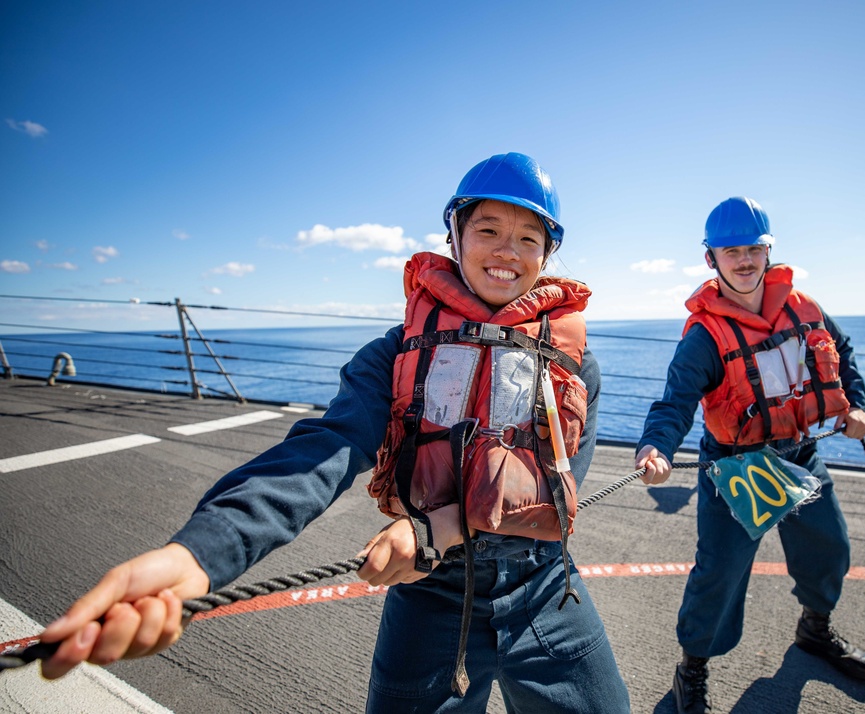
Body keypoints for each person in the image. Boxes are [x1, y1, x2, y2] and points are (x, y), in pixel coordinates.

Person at [38, 152, 631, 713]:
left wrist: (444, 525)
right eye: (488, 230)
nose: (508, 251)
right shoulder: (396, 354)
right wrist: (200, 554)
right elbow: (325, 447)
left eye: (529, 238)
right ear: (454, 237)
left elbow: (558, 487)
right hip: (433, 589)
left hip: (544, 586)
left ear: (546, 255)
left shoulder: (575, 365)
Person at [635, 197, 865, 714]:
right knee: (719, 575)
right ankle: (692, 669)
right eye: (731, 251)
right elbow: (675, 400)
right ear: (712, 260)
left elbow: (844, 350)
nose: (744, 260)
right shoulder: (705, 336)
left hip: (801, 455)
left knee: (829, 547)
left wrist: (855, 404)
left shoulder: (805, 307)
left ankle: (815, 631)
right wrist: (656, 448)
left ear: (768, 251)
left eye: (753, 248)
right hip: (736, 468)